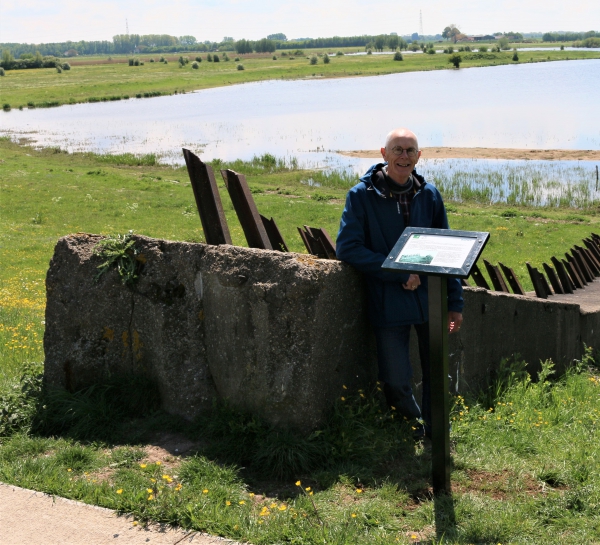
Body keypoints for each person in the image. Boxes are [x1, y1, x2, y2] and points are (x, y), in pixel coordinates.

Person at [336, 128, 463, 438]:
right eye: (397, 149)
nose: (403, 156)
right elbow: (348, 247)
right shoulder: (361, 196)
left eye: (410, 150)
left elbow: (446, 248)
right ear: (383, 153)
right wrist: (398, 273)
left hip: (429, 301)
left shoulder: (429, 194)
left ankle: (436, 432)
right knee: (395, 378)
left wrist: (455, 302)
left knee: (437, 372)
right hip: (388, 300)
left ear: (419, 157)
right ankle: (413, 426)